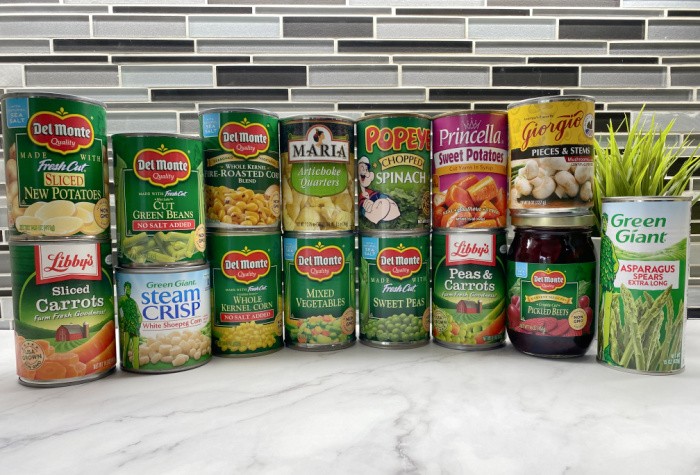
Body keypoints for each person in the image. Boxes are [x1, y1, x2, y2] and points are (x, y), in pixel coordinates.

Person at [358, 156, 400, 224]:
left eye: (366, 169)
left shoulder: (371, 192)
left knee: (390, 205)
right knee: (373, 211)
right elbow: (363, 208)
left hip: (380, 209)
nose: (365, 172)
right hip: (371, 212)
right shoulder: (362, 197)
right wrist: (367, 208)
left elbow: (380, 196)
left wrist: (385, 199)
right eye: (362, 168)